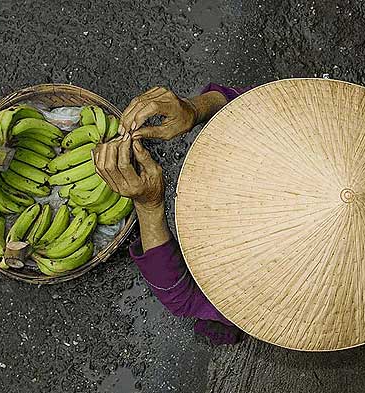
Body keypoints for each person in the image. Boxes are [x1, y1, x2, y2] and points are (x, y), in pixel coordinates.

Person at [92, 84, 250, 345]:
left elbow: (183, 297)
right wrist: (195, 108)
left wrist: (148, 206)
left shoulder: (267, 297)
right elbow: (252, 103)